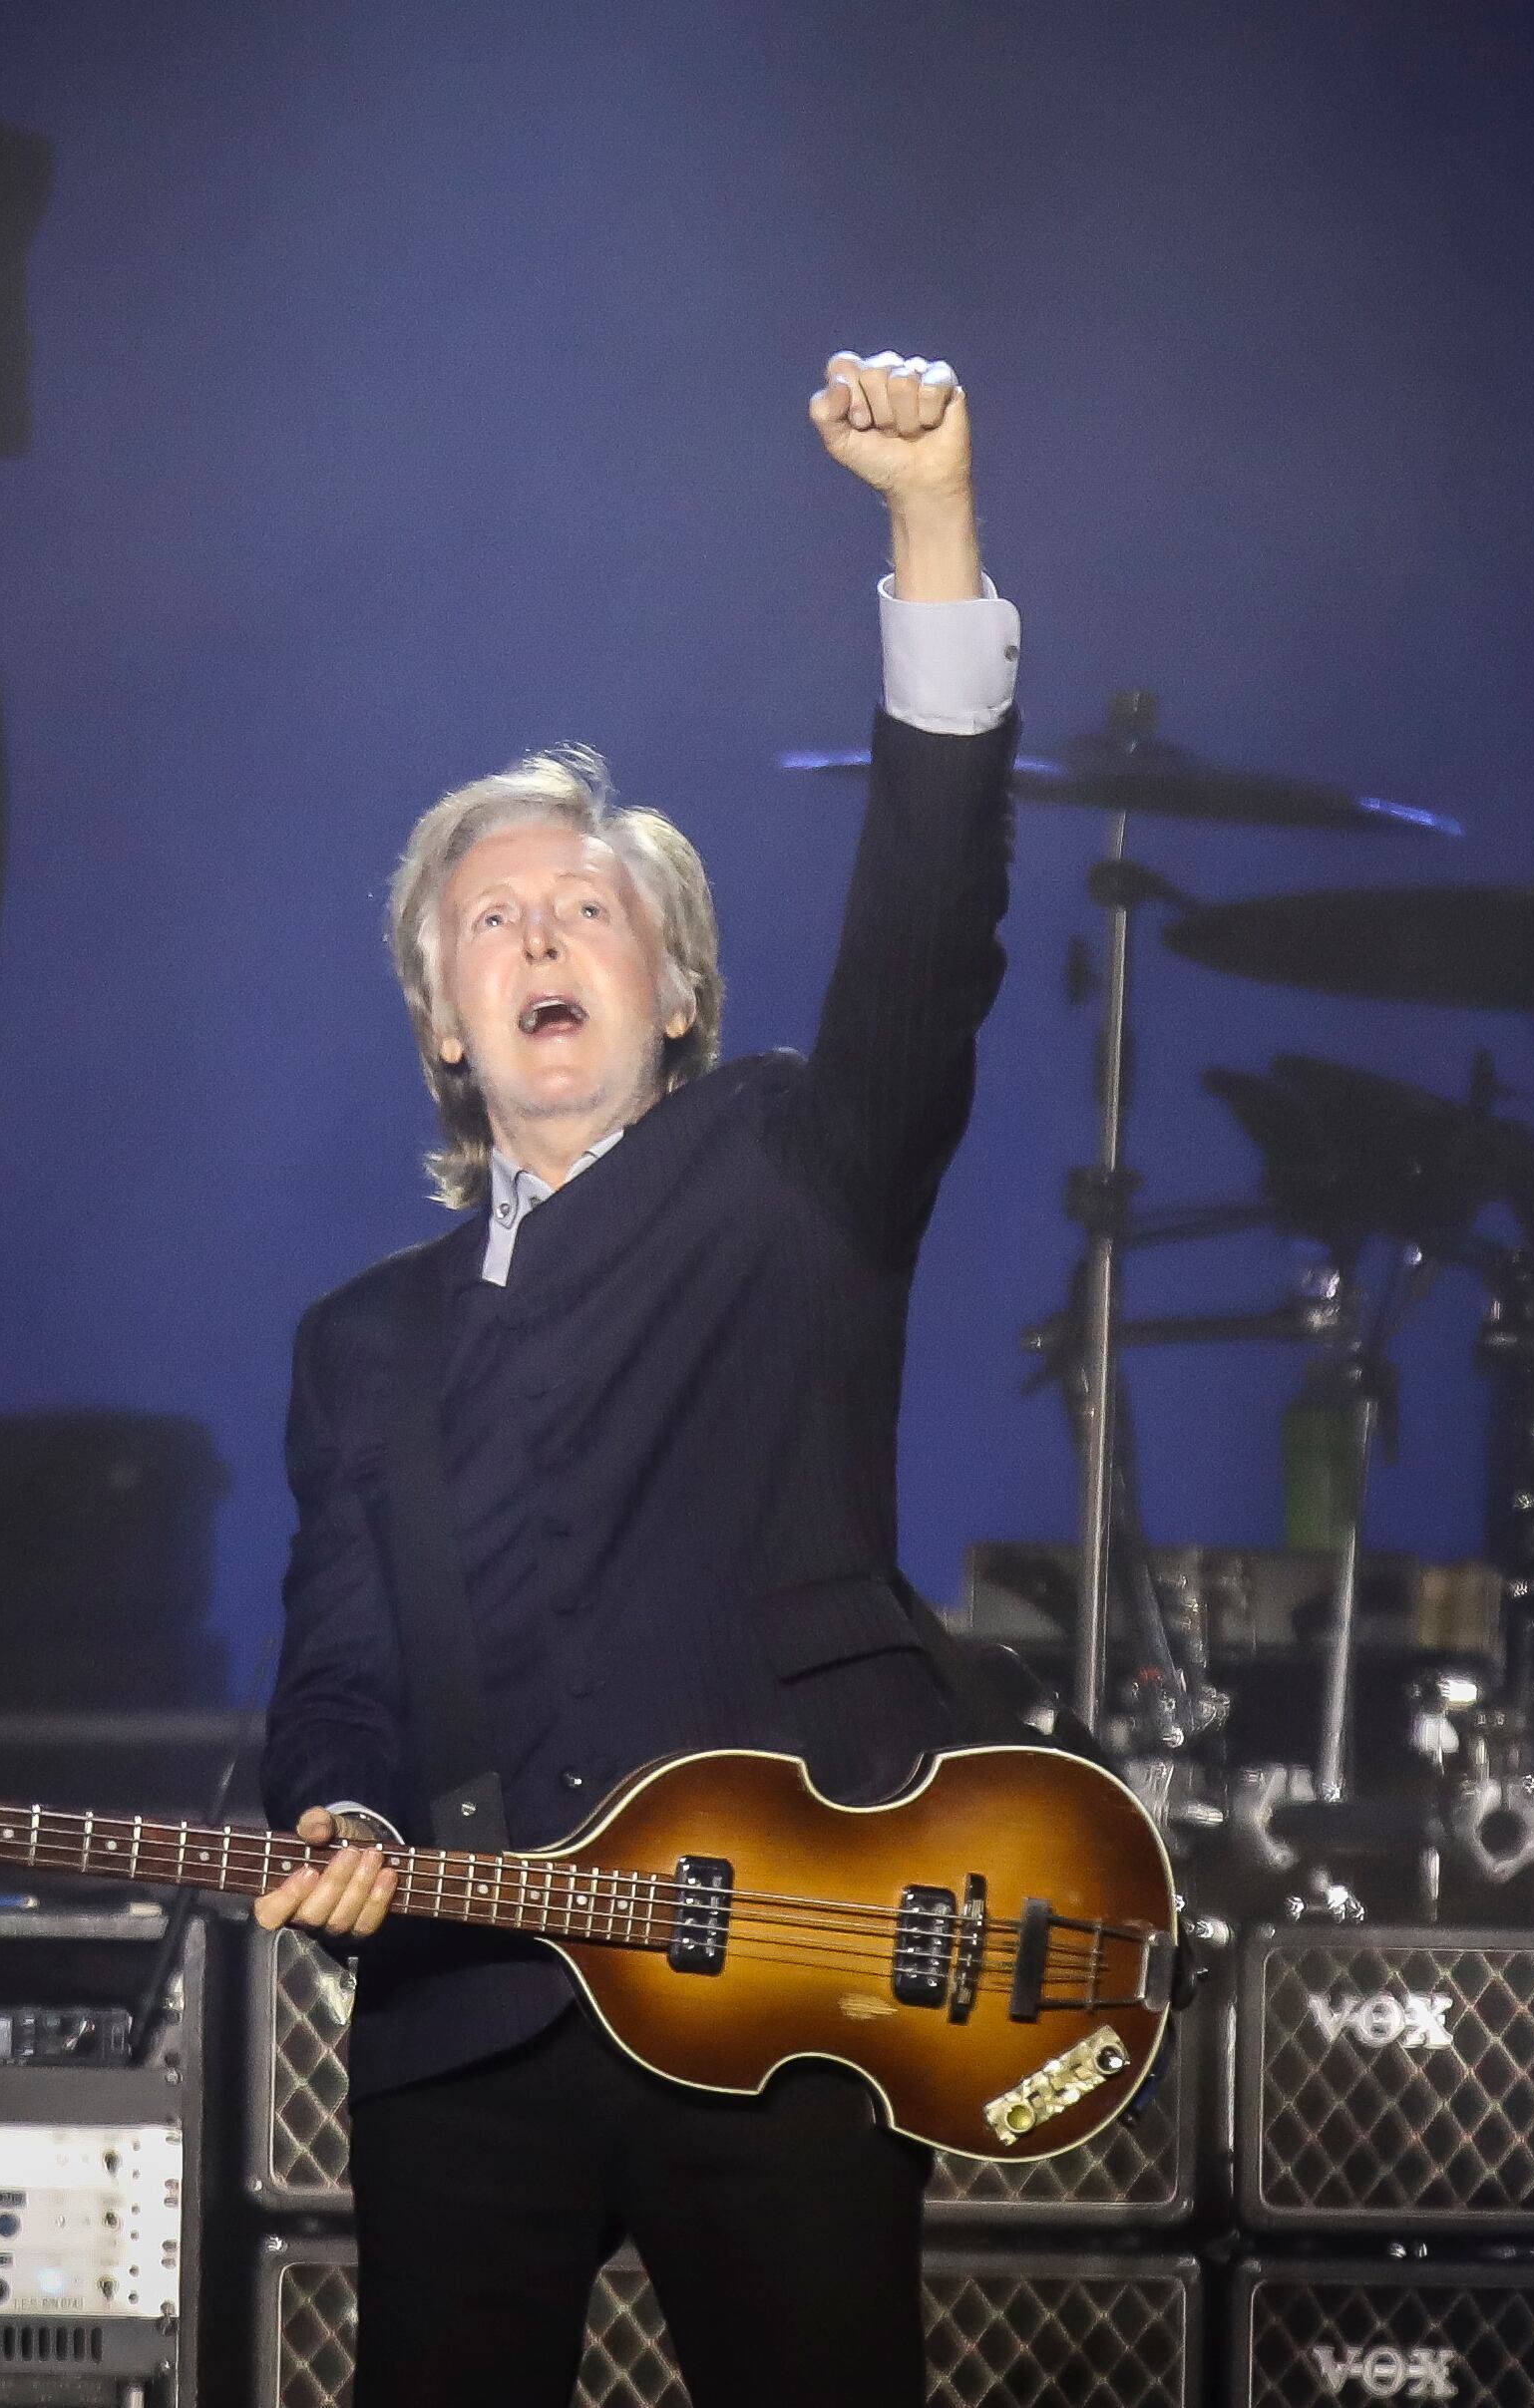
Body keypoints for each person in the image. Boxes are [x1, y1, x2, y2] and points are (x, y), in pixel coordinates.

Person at [252, 349, 1025, 2406]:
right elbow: (338, 1661)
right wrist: (337, 1801)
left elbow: (929, 926)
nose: (538, 938)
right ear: (443, 1021)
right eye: (490, 921)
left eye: (586, 907)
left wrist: (929, 525)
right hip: (472, 2004)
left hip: (783, 1983)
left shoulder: (790, 1171)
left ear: (674, 989)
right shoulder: (363, 1342)